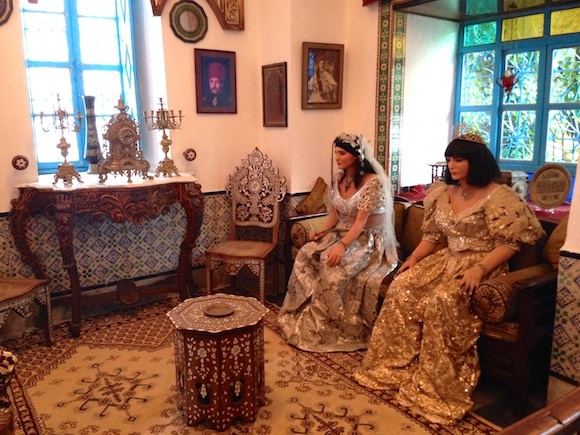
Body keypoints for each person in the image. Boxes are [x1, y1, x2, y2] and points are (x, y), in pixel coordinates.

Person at [353, 123, 545, 425]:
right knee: (402, 288)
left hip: (483, 264)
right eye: (450, 159)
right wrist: (413, 259)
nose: (452, 165)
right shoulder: (443, 192)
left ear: (476, 161)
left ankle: (437, 385)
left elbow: (511, 242)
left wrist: (481, 270)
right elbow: (433, 236)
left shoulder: (499, 196)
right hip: (445, 259)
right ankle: (395, 366)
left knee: (442, 302)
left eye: (459, 159)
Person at [277, 133, 399, 352]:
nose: (337, 158)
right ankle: (304, 308)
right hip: (343, 232)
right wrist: (321, 232)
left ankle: (334, 325)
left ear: (356, 156)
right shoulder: (338, 179)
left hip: (367, 240)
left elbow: (361, 222)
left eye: (342, 153)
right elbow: (335, 215)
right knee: (306, 252)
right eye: (336, 153)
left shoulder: (374, 183)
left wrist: (341, 246)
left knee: (332, 265)